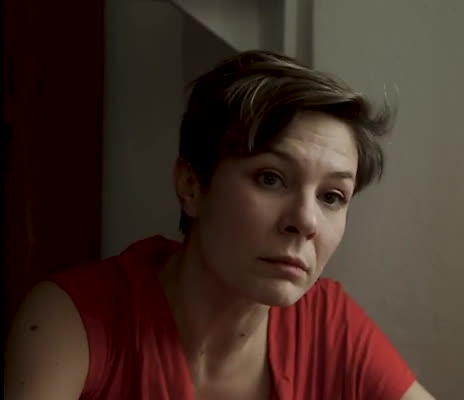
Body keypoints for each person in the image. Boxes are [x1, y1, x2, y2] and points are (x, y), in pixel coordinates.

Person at [4, 50, 435, 400]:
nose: (306, 221)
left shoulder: (327, 323)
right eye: (270, 178)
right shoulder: (76, 319)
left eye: (332, 196)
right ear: (191, 185)